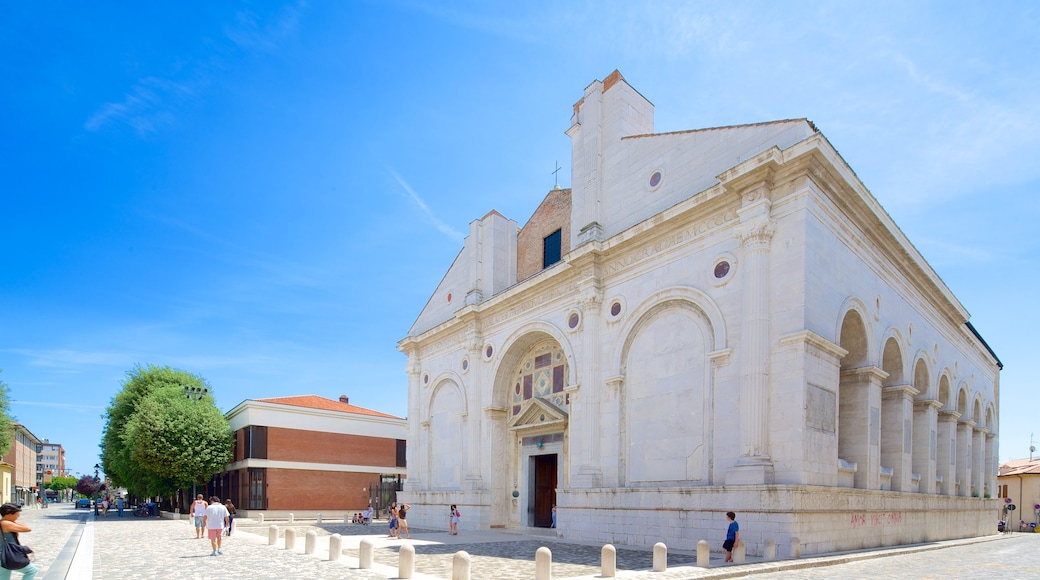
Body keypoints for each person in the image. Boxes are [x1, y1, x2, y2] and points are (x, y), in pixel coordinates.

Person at [0, 503, 37, 580]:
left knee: (4, 577)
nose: (18, 516)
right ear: (9, 514)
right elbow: (27, 528)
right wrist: (13, 522)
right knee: (31, 571)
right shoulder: (5, 524)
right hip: (6, 556)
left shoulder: (3, 522)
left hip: (3, 556)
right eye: (17, 514)